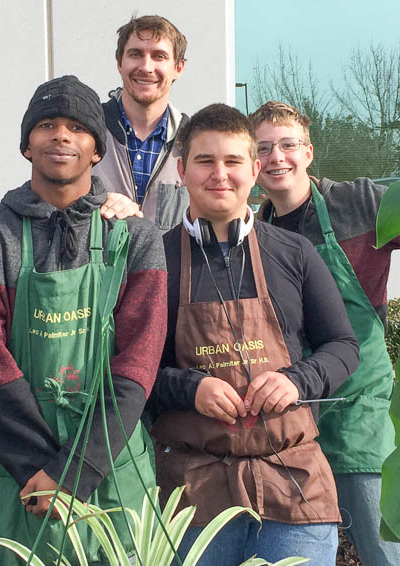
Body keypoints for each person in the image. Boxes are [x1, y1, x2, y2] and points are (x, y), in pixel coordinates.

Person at [0, 75, 167, 566]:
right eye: (46, 125)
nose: (61, 136)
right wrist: (41, 472)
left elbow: (138, 365)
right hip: (20, 469)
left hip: (111, 461)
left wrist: (76, 472)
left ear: (96, 150)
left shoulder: (134, 238)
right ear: (27, 145)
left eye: (77, 127)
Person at [151, 103, 359, 565]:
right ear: (182, 170)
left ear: (255, 168)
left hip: (294, 486)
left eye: (233, 161)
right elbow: (132, 368)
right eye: (205, 161)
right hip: (194, 493)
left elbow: (343, 347)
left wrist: (296, 380)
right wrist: (190, 387)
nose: (219, 174)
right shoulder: (155, 261)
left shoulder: (294, 253)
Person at [249, 100, 400, 566]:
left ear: (309, 152)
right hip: (292, 417)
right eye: (264, 148)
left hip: (360, 409)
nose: (278, 157)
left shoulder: (359, 202)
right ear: (253, 164)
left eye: (288, 145)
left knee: (382, 546)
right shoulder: (254, 231)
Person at [93, 14, 189, 232]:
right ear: (119, 63)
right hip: (95, 265)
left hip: (167, 267)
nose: (146, 67)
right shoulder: (87, 131)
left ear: (178, 68)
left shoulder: (192, 142)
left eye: (159, 56)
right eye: (136, 54)